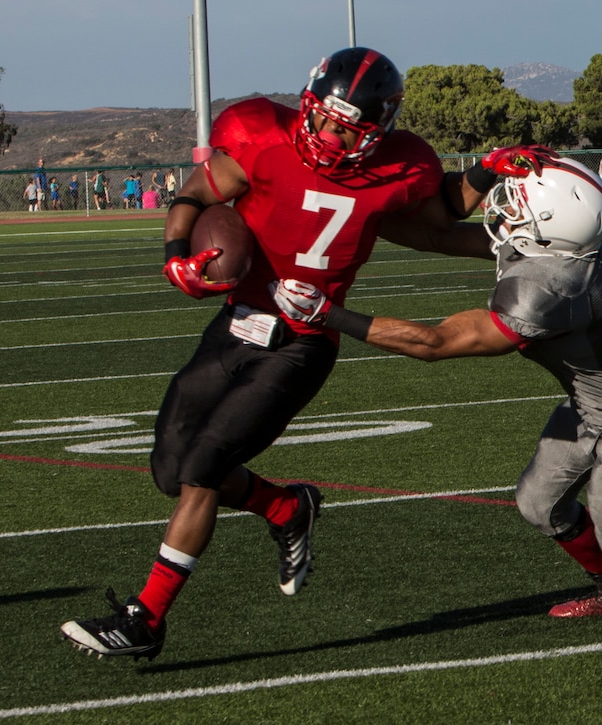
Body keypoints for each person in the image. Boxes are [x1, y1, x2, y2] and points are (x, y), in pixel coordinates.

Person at [58, 46, 544, 659]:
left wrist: (491, 174)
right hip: (235, 324)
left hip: (303, 345)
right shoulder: (263, 138)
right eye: (323, 117)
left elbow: (441, 218)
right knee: (169, 467)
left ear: (379, 130)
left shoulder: (395, 173)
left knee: (204, 465)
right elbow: (195, 193)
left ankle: (145, 619)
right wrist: (175, 255)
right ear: (308, 103)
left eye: (349, 126)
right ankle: (286, 506)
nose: (330, 133)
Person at [273, 154, 602, 619]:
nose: (505, 208)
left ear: (547, 226)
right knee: (538, 503)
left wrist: (330, 315)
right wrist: (365, 213)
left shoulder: (551, 287)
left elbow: (436, 342)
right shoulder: (575, 243)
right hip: (595, 401)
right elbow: (438, 235)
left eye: (518, 204)